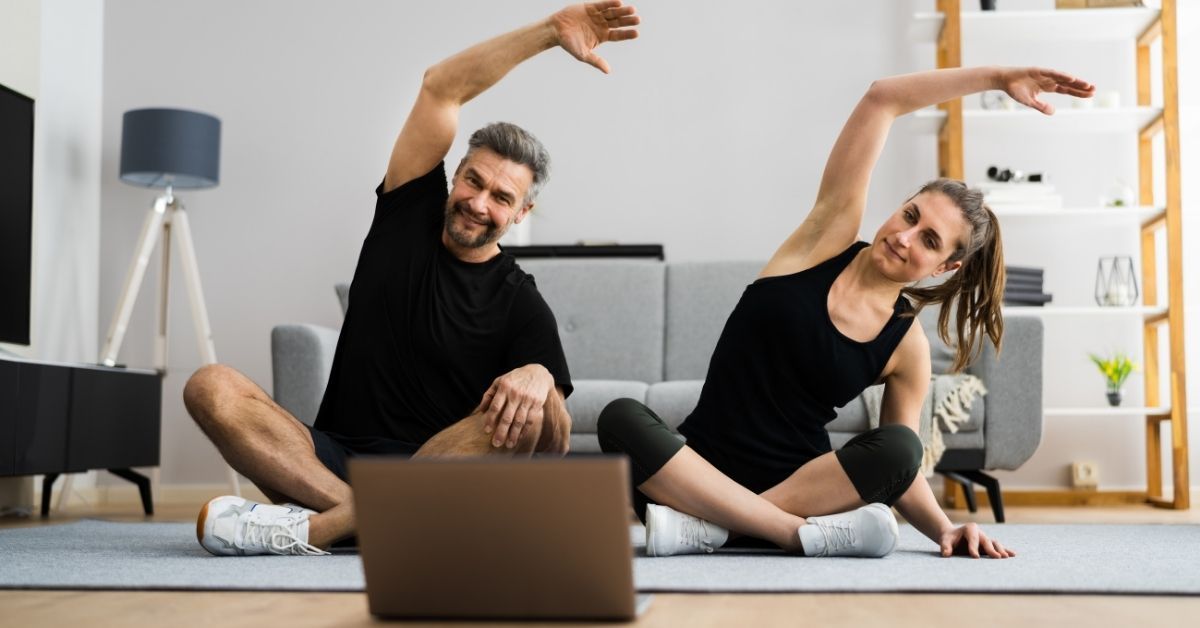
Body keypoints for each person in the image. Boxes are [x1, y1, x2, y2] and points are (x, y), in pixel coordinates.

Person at [183, 1, 641, 557]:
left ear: (521, 214)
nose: (478, 203)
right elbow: (440, 89)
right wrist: (549, 32)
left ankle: (316, 530)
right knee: (211, 386)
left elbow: (556, 438)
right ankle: (377, 521)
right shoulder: (406, 217)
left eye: (501, 197)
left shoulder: (521, 300)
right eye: (473, 181)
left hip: (440, 471)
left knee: (524, 416)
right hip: (325, 461)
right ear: (454, 177)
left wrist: (541, 376)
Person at [598, 66, 1094, 559]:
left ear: (946, 266)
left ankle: (712, 531)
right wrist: (999, 77)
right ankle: (780, 533)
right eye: (910, 215)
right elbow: (882, 98)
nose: (903, 237)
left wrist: (944, 528)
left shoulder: (906, 345)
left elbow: (901, 468)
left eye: (928, 241)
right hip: (694, 474)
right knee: (620, 418)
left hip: (802, 486)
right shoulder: (824, 240)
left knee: (902, 447)